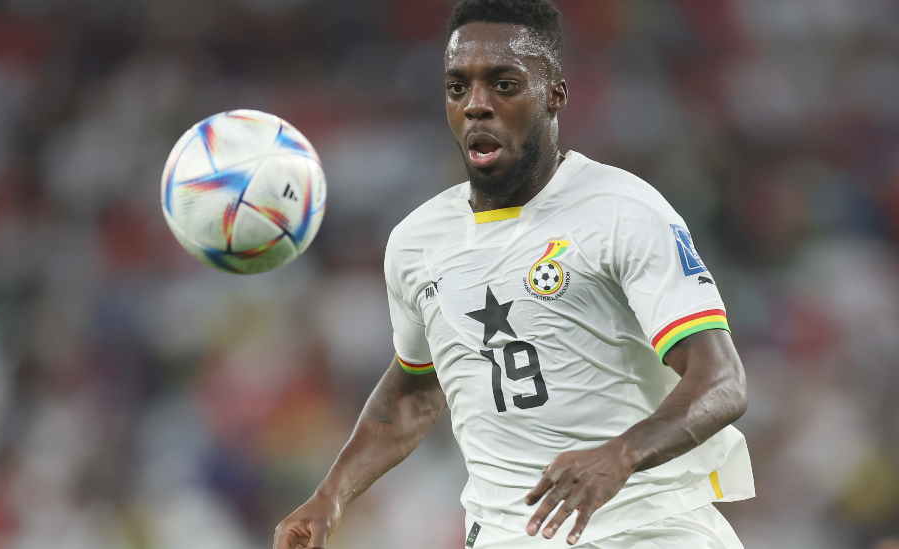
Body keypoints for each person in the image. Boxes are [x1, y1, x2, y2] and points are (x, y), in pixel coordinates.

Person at [274, 0, 754, 547]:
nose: (477, 105)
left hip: (649, 527)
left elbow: (721, 380)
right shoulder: (416, 243)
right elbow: (415, 389)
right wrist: (329, 497)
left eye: (503, 85)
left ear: (555, 93)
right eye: (458, 88)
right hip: (506, 535)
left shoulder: (623, 209)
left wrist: (622, 454)